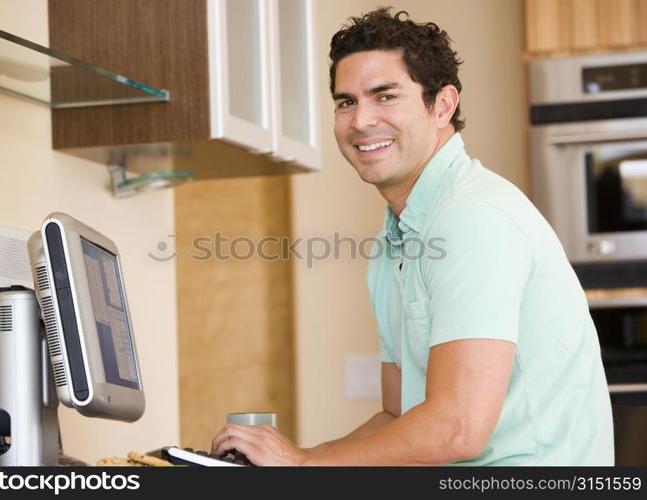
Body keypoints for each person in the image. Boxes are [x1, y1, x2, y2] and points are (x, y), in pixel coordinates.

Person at [210, 7, 614, 466]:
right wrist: (304, 456)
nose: (360, 121)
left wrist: (304, 468)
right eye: (346, 102)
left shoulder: (472, 217)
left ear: (442, 105)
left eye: (385, 97)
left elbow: (457, 428)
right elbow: (397, 412)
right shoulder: (396, 239)